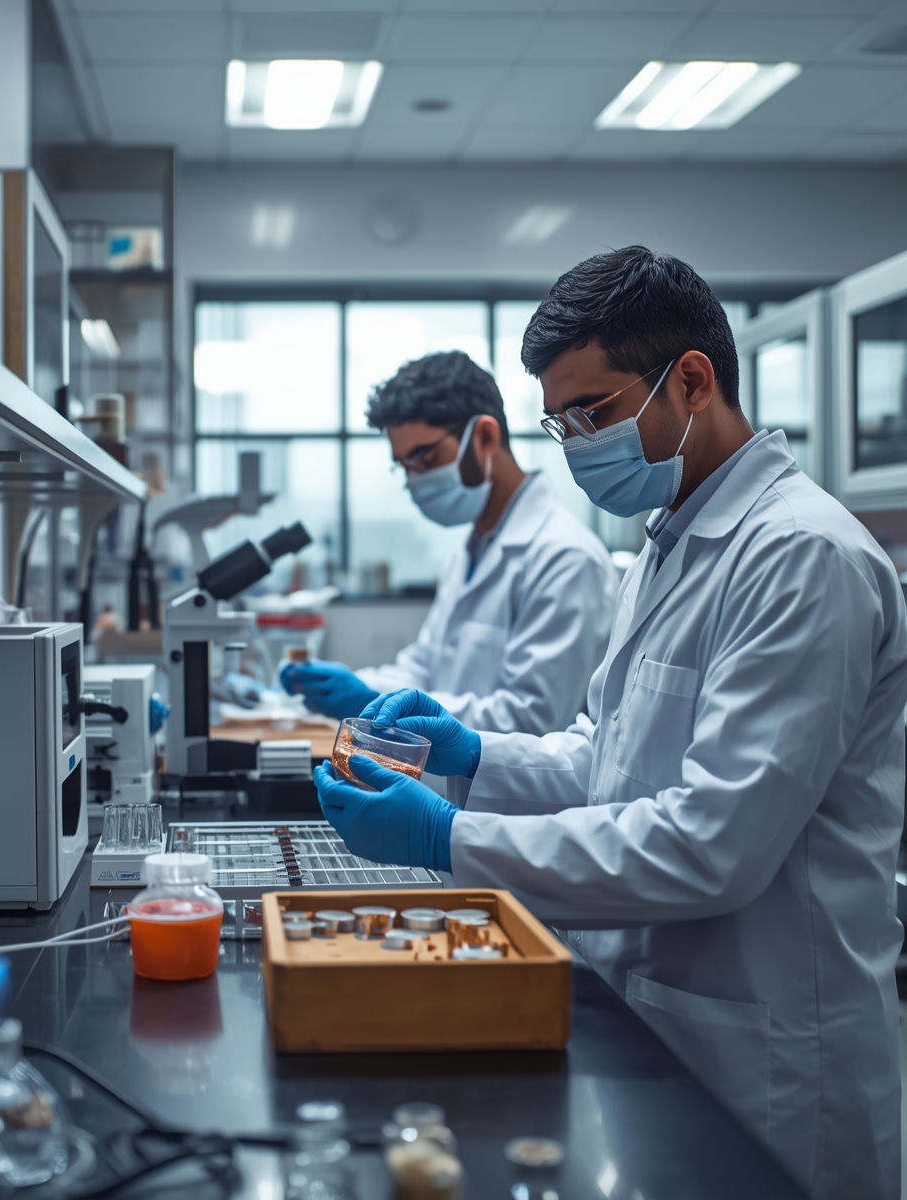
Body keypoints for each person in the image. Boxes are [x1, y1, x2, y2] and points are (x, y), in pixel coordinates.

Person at [314, 247, 907, 1200]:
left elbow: (711, 844)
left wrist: (450, 836)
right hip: (653, 1009)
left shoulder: (802, 558)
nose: (577, 443)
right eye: (560, 421)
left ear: (693, 379)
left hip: (769, 1055)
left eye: (593, 412)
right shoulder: (668, 543)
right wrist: (467, 756)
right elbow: (606, 752)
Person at [282, 351, 616, 735]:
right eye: (404, 466)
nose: (413, 481)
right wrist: (361, 687)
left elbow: (532, 720)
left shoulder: (565, 557)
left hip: (515, 792)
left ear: (485, 436)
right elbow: (426, 667)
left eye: (424, 458)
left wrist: (371, 704)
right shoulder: (471, 549)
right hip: (451, 782)